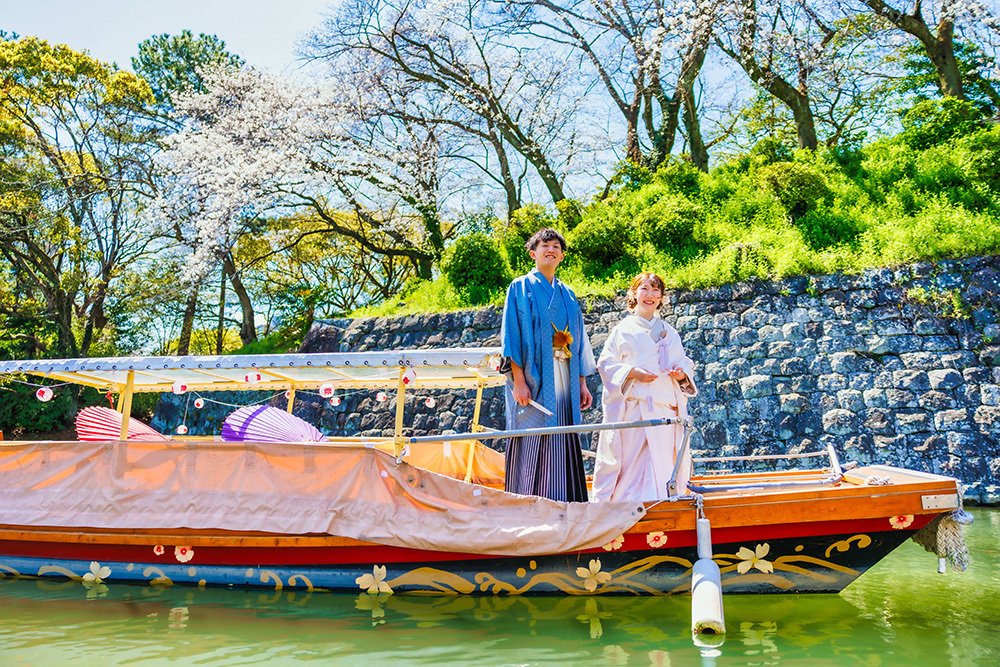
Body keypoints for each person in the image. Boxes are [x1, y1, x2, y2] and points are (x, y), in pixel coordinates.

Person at [500, 228, 596, 502]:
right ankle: (526, 501)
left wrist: (581, 382)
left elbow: (577, 340)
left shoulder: (568, 294)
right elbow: (512, 333)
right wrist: (518, 380)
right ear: (533, 253)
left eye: (556, 246)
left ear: (562, 256)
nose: (551, 249)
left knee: (563, 433)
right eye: (545, 245)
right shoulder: (519, 286)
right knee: (532, 434)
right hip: (533, 376)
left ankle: (565, 500)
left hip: (564, 375)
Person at [592, 272, 698, 503]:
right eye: (644, 289)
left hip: (665, 410)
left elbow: (683, 362)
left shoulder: (670, 332)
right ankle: (626, 507)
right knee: (632, 467)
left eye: (655, 290)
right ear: (634, 294)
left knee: (664, 463)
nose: (650, 295)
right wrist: (633, 373)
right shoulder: (622, 329)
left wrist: (681, 374)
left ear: (662, 297)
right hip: (636, 408)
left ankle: (666, 504)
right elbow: (606, 364)